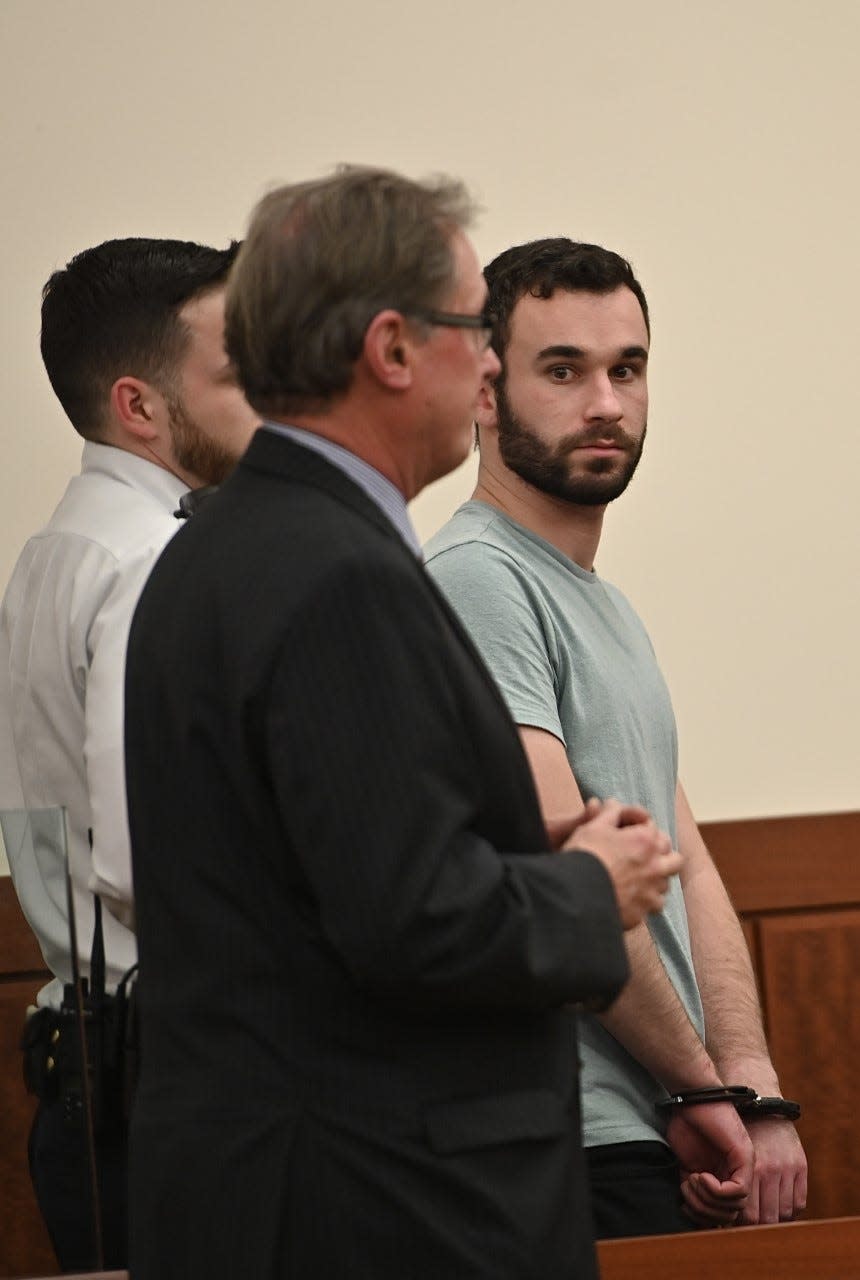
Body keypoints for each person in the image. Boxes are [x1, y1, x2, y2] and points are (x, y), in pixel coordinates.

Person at [123, 168, 683, 1280]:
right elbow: (413, 920)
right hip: (375, 1202)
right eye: (474, 330)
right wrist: (588, 887)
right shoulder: (338, 574)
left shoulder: (219, 545)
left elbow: (330, 876)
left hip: (284, 1185)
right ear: (389, 348)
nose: (484, 362)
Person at [425, 237, 808, 1238]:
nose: (604, 401)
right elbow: (565, 862)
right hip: (579, 1133)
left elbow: (686, 865)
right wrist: (696, 1088)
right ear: (482, 388)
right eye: (563, 370)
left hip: (669, 1118)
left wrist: (749, 1081)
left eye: (625, 369)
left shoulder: (605, 605)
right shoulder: (477, 578)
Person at [0, 237, 260, 1270]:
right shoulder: (156, 560)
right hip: (176, 1073)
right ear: (139, 405)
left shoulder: (53, 550)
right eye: (233, 373)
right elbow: (147, 859)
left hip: (92, 1055)